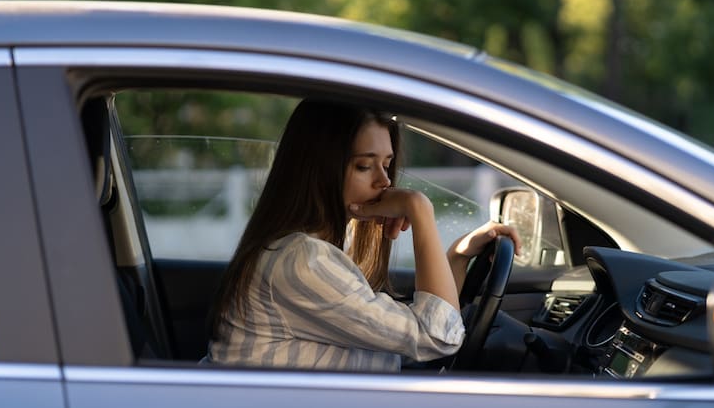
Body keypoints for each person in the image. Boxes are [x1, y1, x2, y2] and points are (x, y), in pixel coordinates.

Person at [206, 98, 521, 372]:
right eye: (363, 166)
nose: (384, 181)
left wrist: (457, 255)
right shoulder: (302, 261)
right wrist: (419, 208)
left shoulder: (316, 250)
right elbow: (438, 337)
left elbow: (416, 329)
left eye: (386, 164)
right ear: (319, 169)